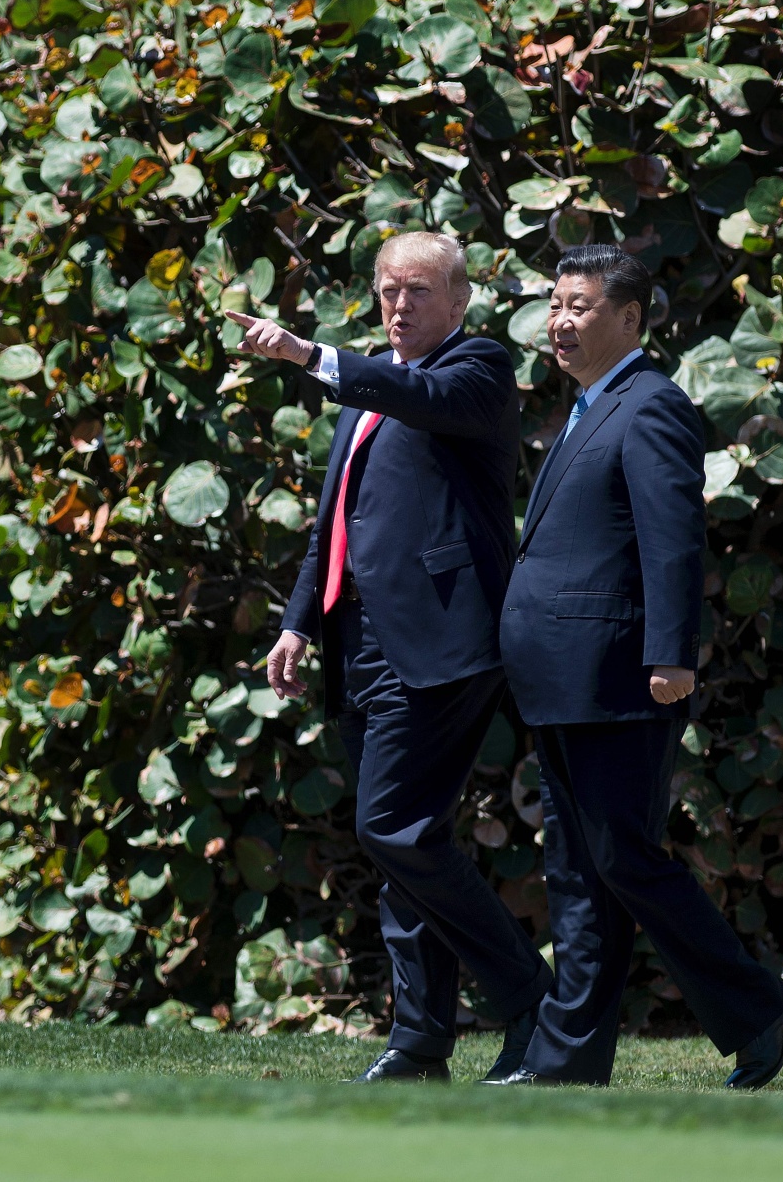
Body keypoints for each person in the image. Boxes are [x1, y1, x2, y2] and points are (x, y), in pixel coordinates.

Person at [230, 230, 551, 1083]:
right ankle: (420, 1038)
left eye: (416, 291)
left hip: (442, 642)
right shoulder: (371, 381)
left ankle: (529, 1001)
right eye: (386, 291)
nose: (399, 305)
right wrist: (298, 621)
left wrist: (307, 353)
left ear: (459, 301)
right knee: (400, 841)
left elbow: (413, 393)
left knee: (394, 826)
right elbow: (336, 521)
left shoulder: (475, 368)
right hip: (361, 643)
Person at [490, 244, 783, 1089]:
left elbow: (673, 540)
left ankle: (756, 1007)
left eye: (580, 305)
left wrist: (670, 654)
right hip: (560, 681)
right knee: (578, 870)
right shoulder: (589, 408)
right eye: (555, 303)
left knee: (624, 858)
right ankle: (569, 1059)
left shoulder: (651, 405)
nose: (560, 319)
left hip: (619, 676)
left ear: (630, 318)